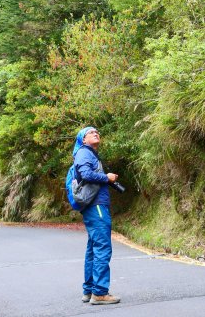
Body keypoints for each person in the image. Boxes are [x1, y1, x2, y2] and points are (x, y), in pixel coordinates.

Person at [73, 126, 120, 305]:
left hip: (93, 206)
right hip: (96, 206)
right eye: (90, 132)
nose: (95, 133)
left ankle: (89, 290)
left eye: (97, 131)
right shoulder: (84, 153)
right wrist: (106, 178)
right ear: (83, 140)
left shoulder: (89, 154)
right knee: (102, 247)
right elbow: (85, 174)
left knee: (93, 248)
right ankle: (100, 293)